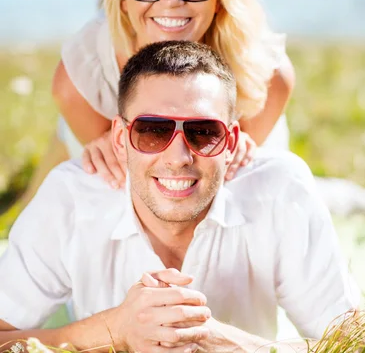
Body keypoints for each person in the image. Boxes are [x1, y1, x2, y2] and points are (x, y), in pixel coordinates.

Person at [0, 41, 358, 352]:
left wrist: (228, 344)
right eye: (153, 131)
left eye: (203, 132)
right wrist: (115, 330)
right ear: (121, 138)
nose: (178, 157)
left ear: (231, 142)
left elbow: (351, 342)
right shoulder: (70, 199)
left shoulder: (282, 191)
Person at [53, 0, 294, 191]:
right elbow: (126, 192)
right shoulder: (79, 83)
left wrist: (233, 154)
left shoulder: (269, 78)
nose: (171, 1)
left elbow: (223, 192)